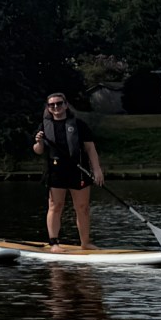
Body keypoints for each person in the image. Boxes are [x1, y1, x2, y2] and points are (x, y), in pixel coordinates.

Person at [34, 90, 104, 247]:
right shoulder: (43, 126)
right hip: (55, 172)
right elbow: (38, 150)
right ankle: (54, 243)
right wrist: (38, 142)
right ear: (48, 107)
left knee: (82, 207)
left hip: (78, 171)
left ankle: (85, 243)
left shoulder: (79, 125)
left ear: (66, 105)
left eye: (59, 103)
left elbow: (91, 149)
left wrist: (97, 169)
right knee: (55, 206)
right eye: (52, 105)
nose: (56, 107)